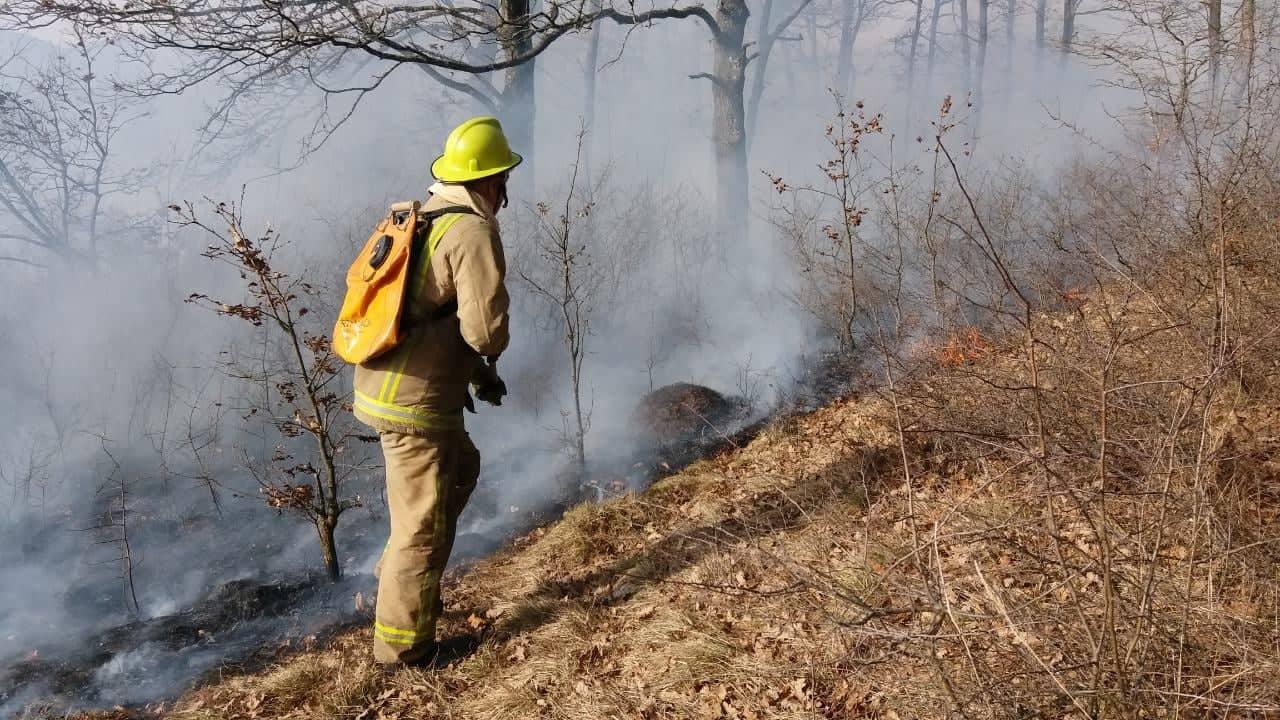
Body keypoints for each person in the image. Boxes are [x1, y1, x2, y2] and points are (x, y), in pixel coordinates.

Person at [352, 116, 518, 668]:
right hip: (414, 403)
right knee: (421, 528)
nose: (502, 193)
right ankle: (402, 652)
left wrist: (478, 377)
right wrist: (490, 356)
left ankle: (400, 580)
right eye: (501, 181)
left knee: (460, 469)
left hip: (390, 386)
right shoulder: (471, 231)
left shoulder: (425, 217)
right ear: (490, 181)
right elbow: (483, 330)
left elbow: (430, 317)